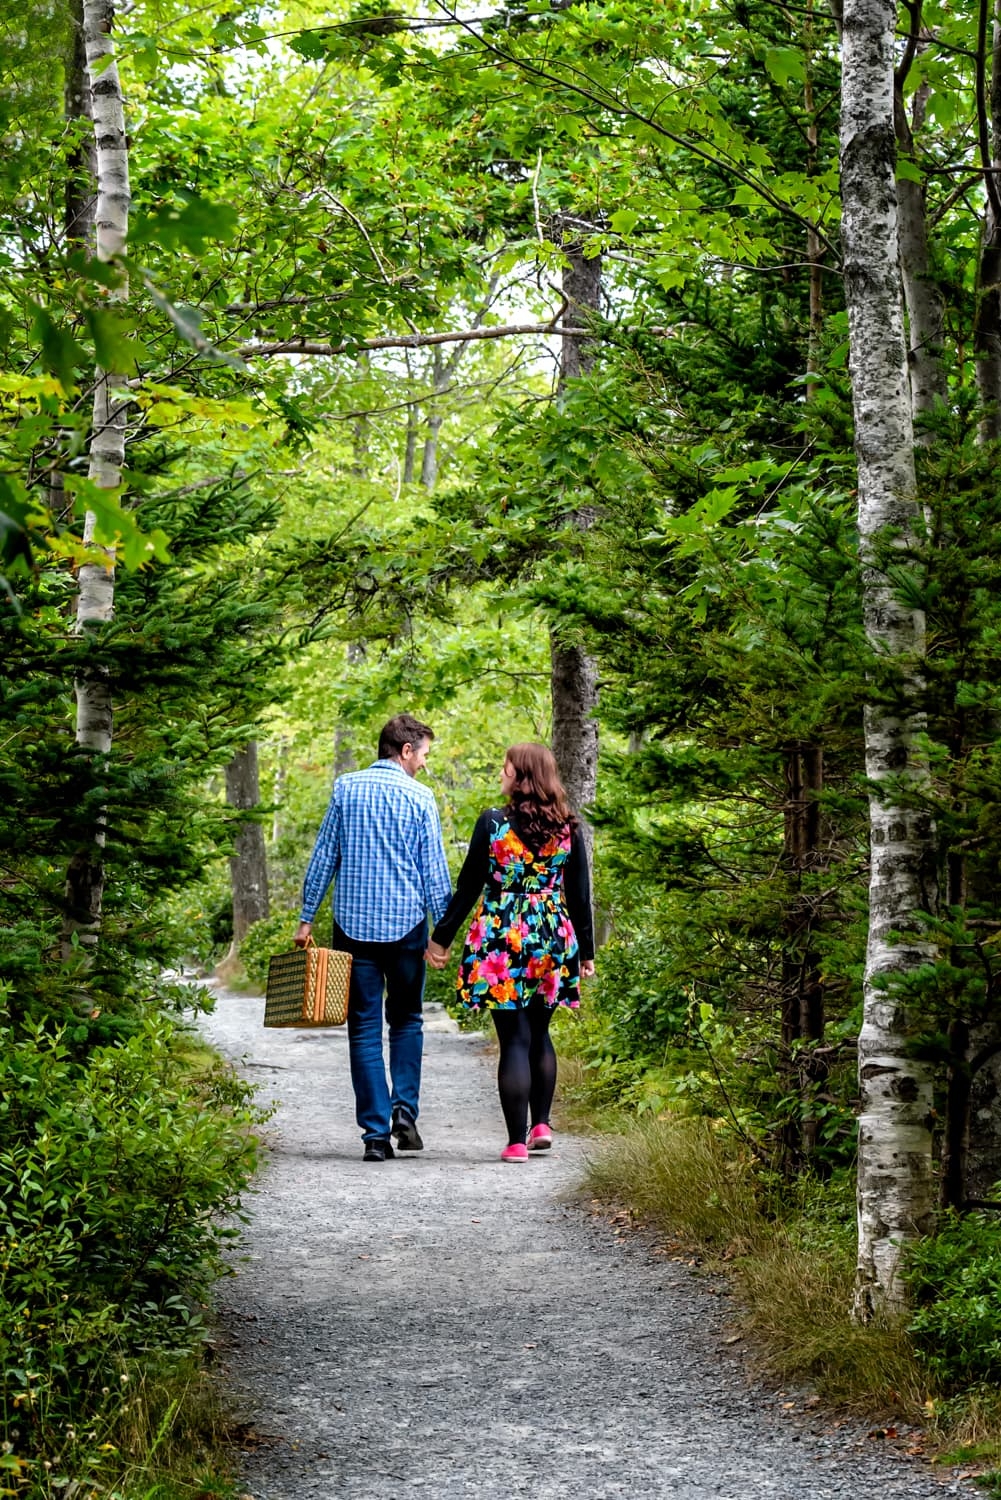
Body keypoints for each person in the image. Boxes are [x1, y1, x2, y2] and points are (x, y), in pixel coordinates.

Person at [294, 713, 453, 1163]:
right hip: (406, 928)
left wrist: (306, 919)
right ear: (405, 750)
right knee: (406, 1019)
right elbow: (434, 874)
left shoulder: (347, 788)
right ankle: (404, 1110)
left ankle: (375, 1135)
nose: (424, 763)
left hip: (352, 929)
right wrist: (441, 935)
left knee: (363, 1028)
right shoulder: (421, 799)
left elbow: (325, 853)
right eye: (423, 754)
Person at [426, 742, 596, 1162]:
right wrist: (586, 952)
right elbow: (579, 895)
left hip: (502, 938)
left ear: (519, 775)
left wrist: (441, 938)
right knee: (540, 1033)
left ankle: (517, 1141)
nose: (499, 775)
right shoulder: (568, 827)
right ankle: (542, 1124)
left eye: (504, 769)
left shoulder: (494, 823)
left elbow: (468, 887)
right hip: (552, 938)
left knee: (514, 1041)